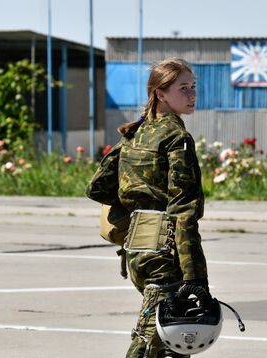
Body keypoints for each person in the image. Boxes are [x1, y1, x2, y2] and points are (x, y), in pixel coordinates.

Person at [86, 58, 208, 358]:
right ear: (160, 94)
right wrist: (196, 278)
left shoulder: (134, 133)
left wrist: (138, 202)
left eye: (193, 87)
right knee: (155, 340)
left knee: (172, 346)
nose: (192, 95)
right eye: (183, 88)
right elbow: (184, 212)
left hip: (137, 248)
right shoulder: (177, 138)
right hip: (164, 250)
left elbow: (97, 187)